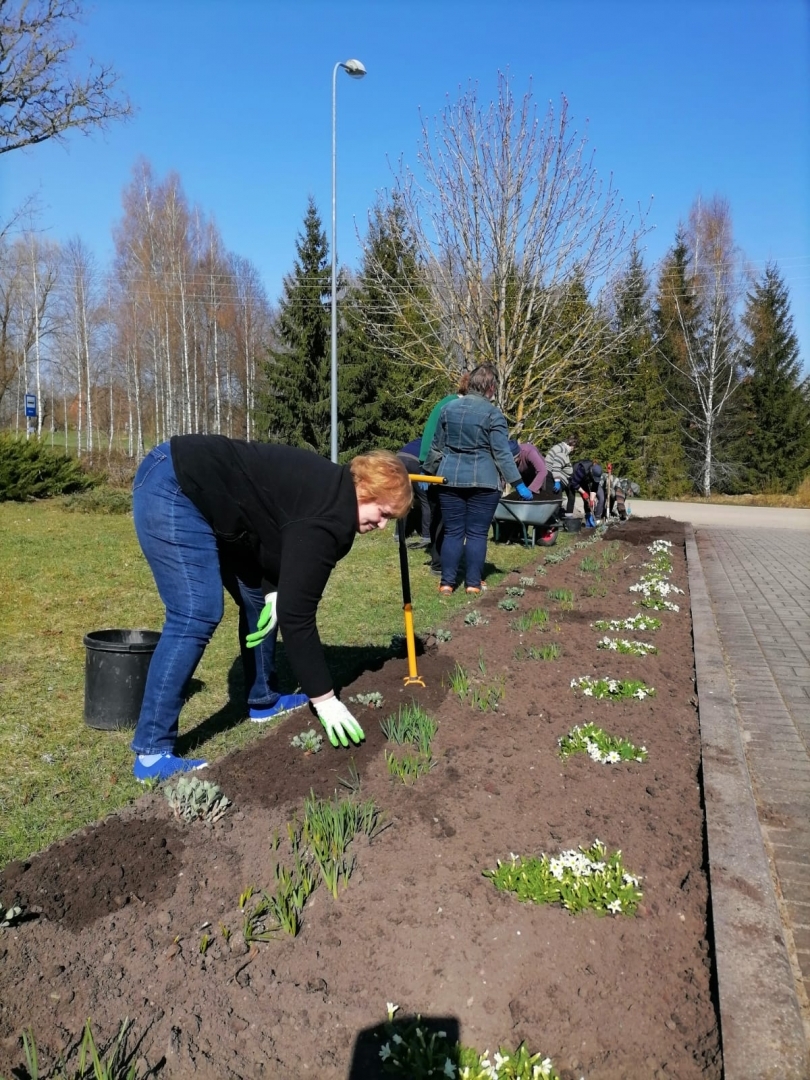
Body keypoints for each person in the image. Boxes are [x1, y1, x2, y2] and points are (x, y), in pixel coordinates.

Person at [130, 437, 413, 781]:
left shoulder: (333, 497)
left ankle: (262, 699)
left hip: (214, 502)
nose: (382, 525)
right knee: (196, 611)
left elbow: (275, 534)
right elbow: (297, 616)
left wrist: (272, 592)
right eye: (383, 513)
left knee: (255, 598)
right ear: (365, 487)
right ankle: (151, 752)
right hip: (175, 484)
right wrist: (324, 699)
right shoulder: (328, 514)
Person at [423, 364, 532, 595]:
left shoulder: (448, 409)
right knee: (477, 533)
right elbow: (502, 453)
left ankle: (447, 583)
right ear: (491, 387)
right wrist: (518, 483)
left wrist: (427, 473)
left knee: (452, 532)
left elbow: (436, 448)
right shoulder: (494, 415)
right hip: (484, 480)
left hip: (449, 478)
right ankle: (473, 584)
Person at [420, 372, 470, 575]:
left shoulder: (448, 403)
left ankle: (442, 559)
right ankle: (440, 562)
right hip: (439, 466)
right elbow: (435, 438)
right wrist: (427, 468)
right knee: (443, 515)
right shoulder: (451, 406)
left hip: (438, 465)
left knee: (440, 514)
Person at [397, 437, 431, 546]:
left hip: (398, 460)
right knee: (425, 500)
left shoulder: (417, 440)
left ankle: (399, 534)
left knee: (404, 499)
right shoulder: (432, 440)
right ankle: (426, 536)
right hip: (414, 462)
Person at [568, 459, 605, 526]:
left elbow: (594, 486)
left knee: (600, 497)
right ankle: (588, 519)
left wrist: (591, 499)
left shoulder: (597, 473)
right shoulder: (581, 469)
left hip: (588, 480)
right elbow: (574, 483)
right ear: (591, 472)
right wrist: (584, 493)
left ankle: (597, 520)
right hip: (578, 481)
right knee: (586, 500)